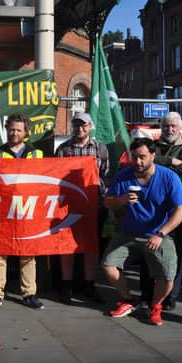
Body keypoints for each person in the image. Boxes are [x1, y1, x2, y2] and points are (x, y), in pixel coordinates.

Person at [101, 138, 182, 326]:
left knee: (167, 277)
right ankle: (127, 299)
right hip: (129, 232)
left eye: (142, 157)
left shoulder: (168, 177)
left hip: (158, 233)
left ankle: (155, 306)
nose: (138, 162)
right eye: (134, 157)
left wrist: (161, 234)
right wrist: (121, 200)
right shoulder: (124, 176)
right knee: (108, 265)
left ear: (153, 156)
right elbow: (107, 201)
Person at [0, 113, 45, 312]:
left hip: (27, 211)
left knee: (28, 253)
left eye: (18, 130)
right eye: (11, 129)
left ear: (26, 132)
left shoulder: (37, 154)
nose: (14, 133)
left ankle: (29, 293)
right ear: (6, 129)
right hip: (2, 211)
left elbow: (44, 183)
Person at [139, 112, 182, 311]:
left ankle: (170, 297)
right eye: (166, 126)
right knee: (148, 251)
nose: (169, 130)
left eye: (173, 126)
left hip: (177, 211)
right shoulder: (152, 146)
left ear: (180, 127)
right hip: (153, 209)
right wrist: (171, 161)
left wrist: (159, 163)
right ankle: (146, 295)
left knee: (176, 255)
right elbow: (145, 164)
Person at [55, 112, 108, 305]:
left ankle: (89, 285)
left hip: (93, 204)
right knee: (66, 246)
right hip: (68, 205)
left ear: (90, 126)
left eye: (84, 125)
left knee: (91, 245)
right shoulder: (63, 149)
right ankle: (66, 285)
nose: (80, 128)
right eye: (77, 125)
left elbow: (104, 174)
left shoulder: (100, 149)